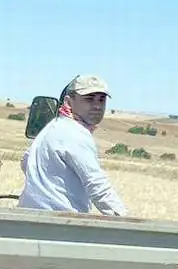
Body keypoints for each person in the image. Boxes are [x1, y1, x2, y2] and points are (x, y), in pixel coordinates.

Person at [18, 75, 129, 216]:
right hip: (60, 224)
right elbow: (97, 185)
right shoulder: (75, 134)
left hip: (29, 217)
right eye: (89, 99)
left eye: (101, 100)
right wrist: (125, 222)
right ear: (69, 102)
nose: (97, 106)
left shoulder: (52, 127)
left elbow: (26, 161)